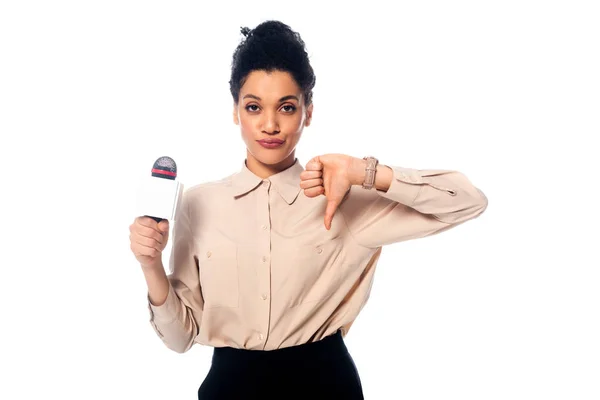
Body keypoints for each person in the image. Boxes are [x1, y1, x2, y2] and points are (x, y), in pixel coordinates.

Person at [129, 20, 488, 399]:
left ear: (308, 112)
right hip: (229, 389)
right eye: (254, 107)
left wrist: (365, 172)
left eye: (286, 107)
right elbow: (180, 338)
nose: (270, 124)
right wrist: (151, 264)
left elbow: (467, 201)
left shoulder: (343, 198)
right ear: (236, 111)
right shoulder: (198, 204)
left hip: (324, 386)